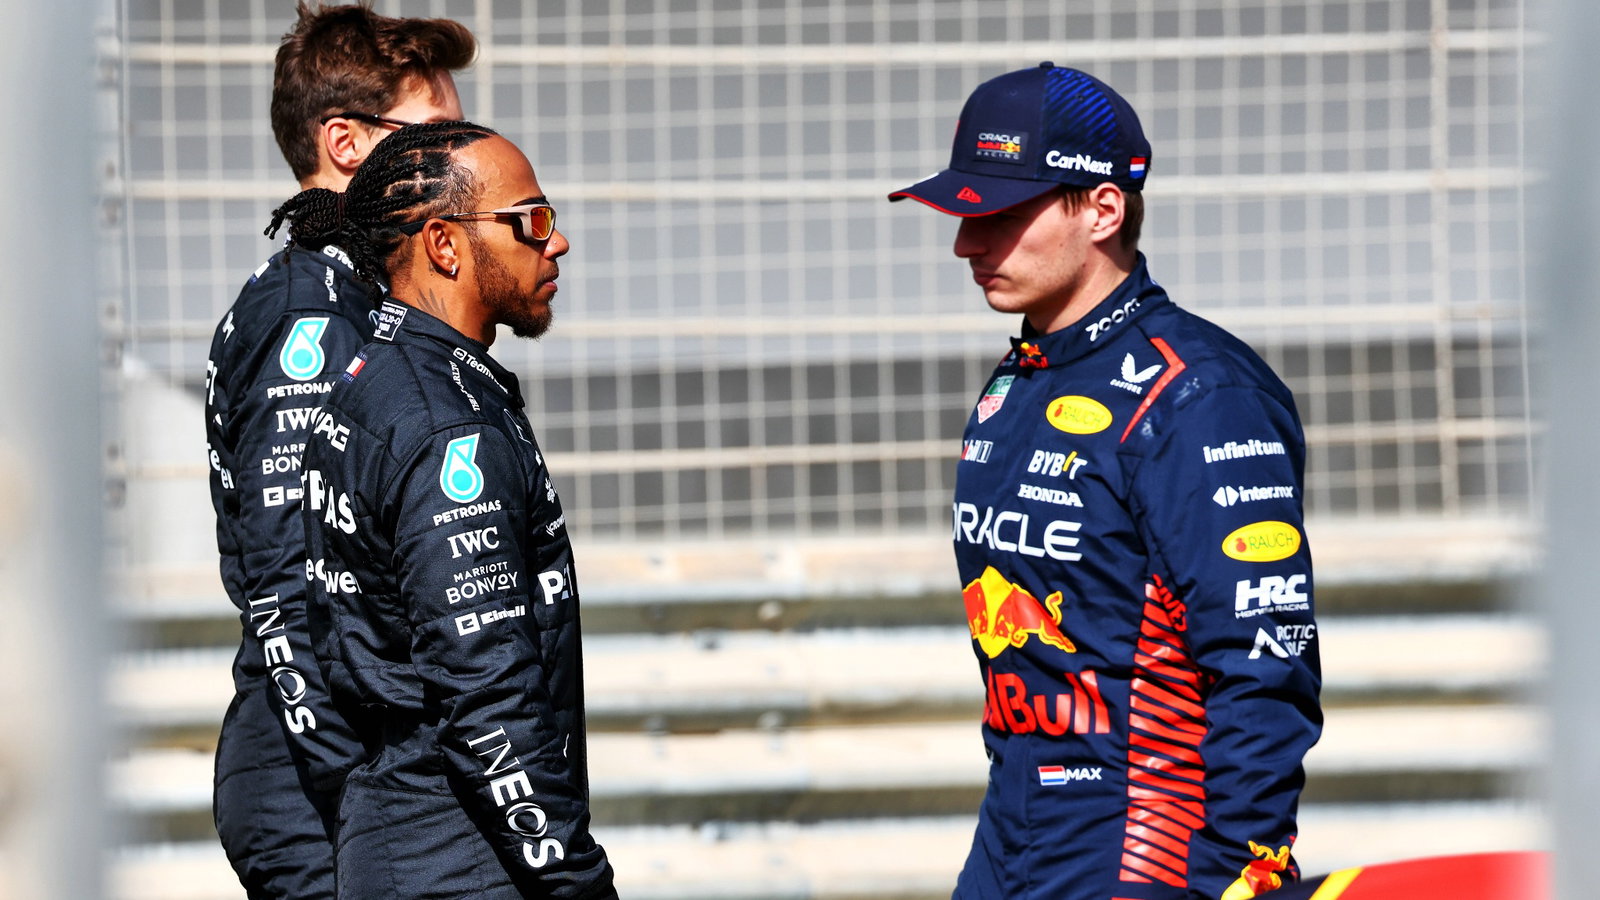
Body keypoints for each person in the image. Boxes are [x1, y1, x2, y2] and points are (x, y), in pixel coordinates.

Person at [889, 63, 1322, 900]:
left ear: (1103, 208)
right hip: (1011, 842)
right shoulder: (1016, 383)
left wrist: (1245, 864)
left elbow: (1263, 659)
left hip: (1153, 851)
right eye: (964, 216)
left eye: (1001, 216)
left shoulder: (1201, 394)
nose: (966, 244)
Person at [275, 121, 616, 899]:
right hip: (461, 858)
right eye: (531, 220)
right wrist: (575, 882)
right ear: (445, 244)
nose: (555, 242)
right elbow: (486, 694)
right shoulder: (443, 423)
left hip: (396, 832)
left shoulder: (377, 372)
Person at [203, 5, 474, 897]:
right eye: (440, 133)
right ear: (348, 144)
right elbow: (286, 583)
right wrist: (358, 784)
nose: (463, 155)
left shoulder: (355, 294)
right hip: (316, 783)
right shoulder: (308, 315)